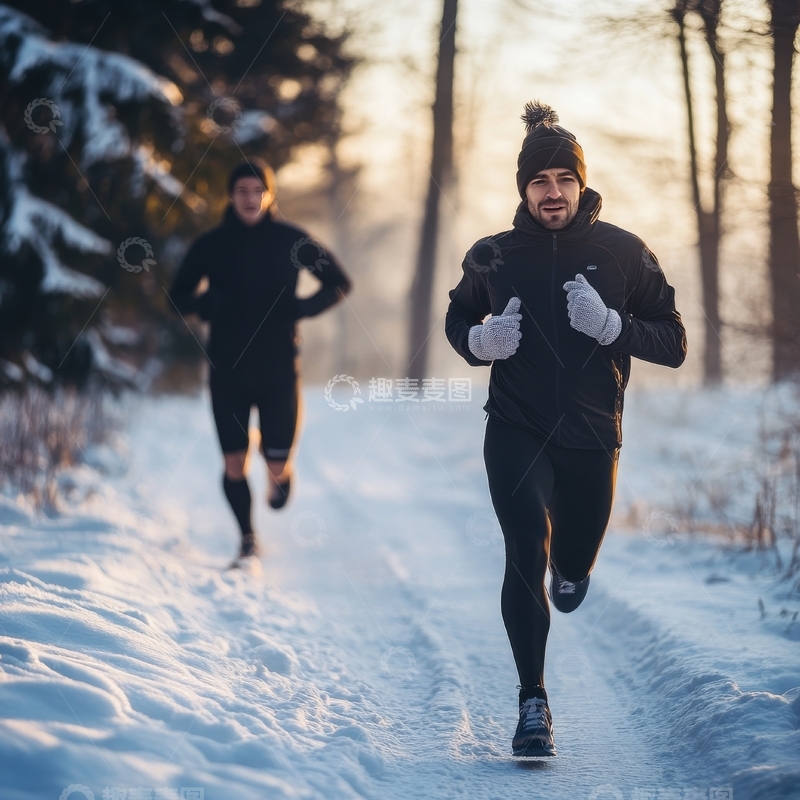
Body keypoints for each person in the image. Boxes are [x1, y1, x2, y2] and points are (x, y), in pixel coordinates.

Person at [445, 102, 687, 757]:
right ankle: (532, 704)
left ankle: (572, 570)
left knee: (568, 573)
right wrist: (477, 340)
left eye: (564, 180)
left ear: (582, 185)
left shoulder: (625, 253)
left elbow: (675, 342)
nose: (552, 193)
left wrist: (614, 327)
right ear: (523, 189)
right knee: (524, 547)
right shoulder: (492, 254)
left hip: (592, 437)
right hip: (516, 429)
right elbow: (457, 317)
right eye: (539, 181)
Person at [170, 158, 352, 568]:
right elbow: (176, 297)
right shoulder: (211, 244)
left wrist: (302, 307)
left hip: (278, 369)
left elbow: (340, 282)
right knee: (234, 462)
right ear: (231, 195)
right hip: (227, 369)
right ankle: (248, 540)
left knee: (274, 463)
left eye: (258, 191)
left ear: (269, 194)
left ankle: (280, 477)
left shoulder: (291, 240)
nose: (250, 199)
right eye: (242, 191)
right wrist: (203, 303)